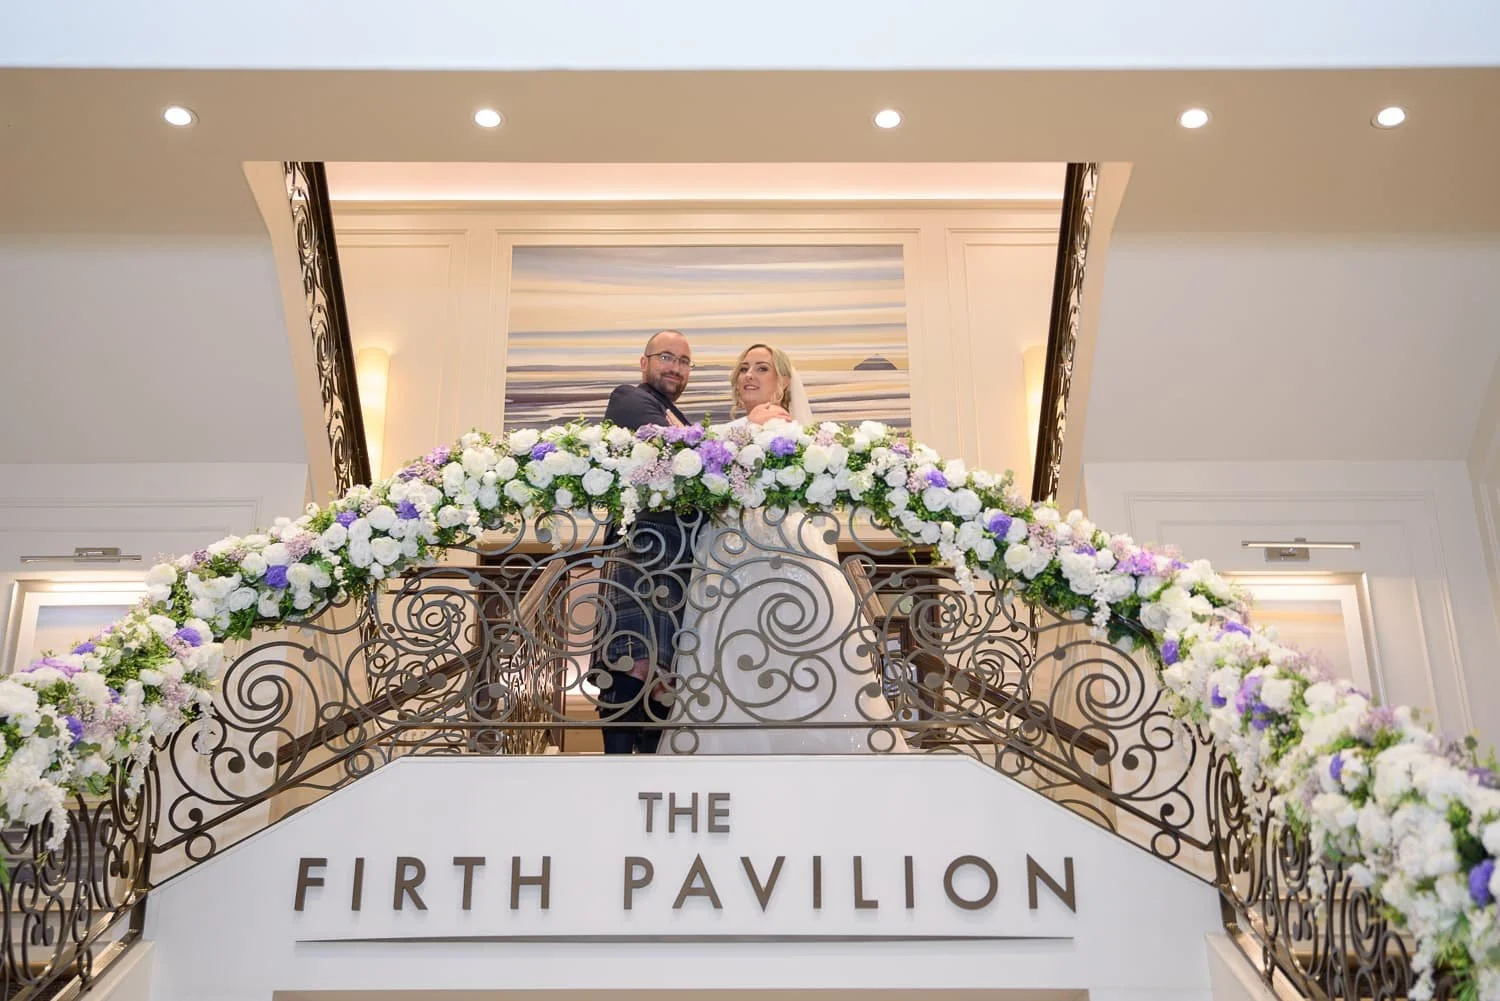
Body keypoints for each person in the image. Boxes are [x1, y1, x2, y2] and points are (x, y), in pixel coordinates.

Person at [660, 343, 909, 755]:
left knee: (791, 641)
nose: (749, 375)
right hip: (726, 551)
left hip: (779, 549)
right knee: (725, 645)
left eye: (762, 368)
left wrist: (712, 436)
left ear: (784, 382)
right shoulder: (738, 427)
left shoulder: (787, 428)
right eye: (744, 368)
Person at [591, 330, 703, 753]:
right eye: (666, 357)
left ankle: (655, 771)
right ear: (645, 362)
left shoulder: (681, 417)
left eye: (684, 361)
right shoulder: (629, 398)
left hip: (681, 558)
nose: (675, 368)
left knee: (666, 678)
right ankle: (617, 769)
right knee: (631, 660)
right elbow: (669, 449)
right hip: (640, 547)